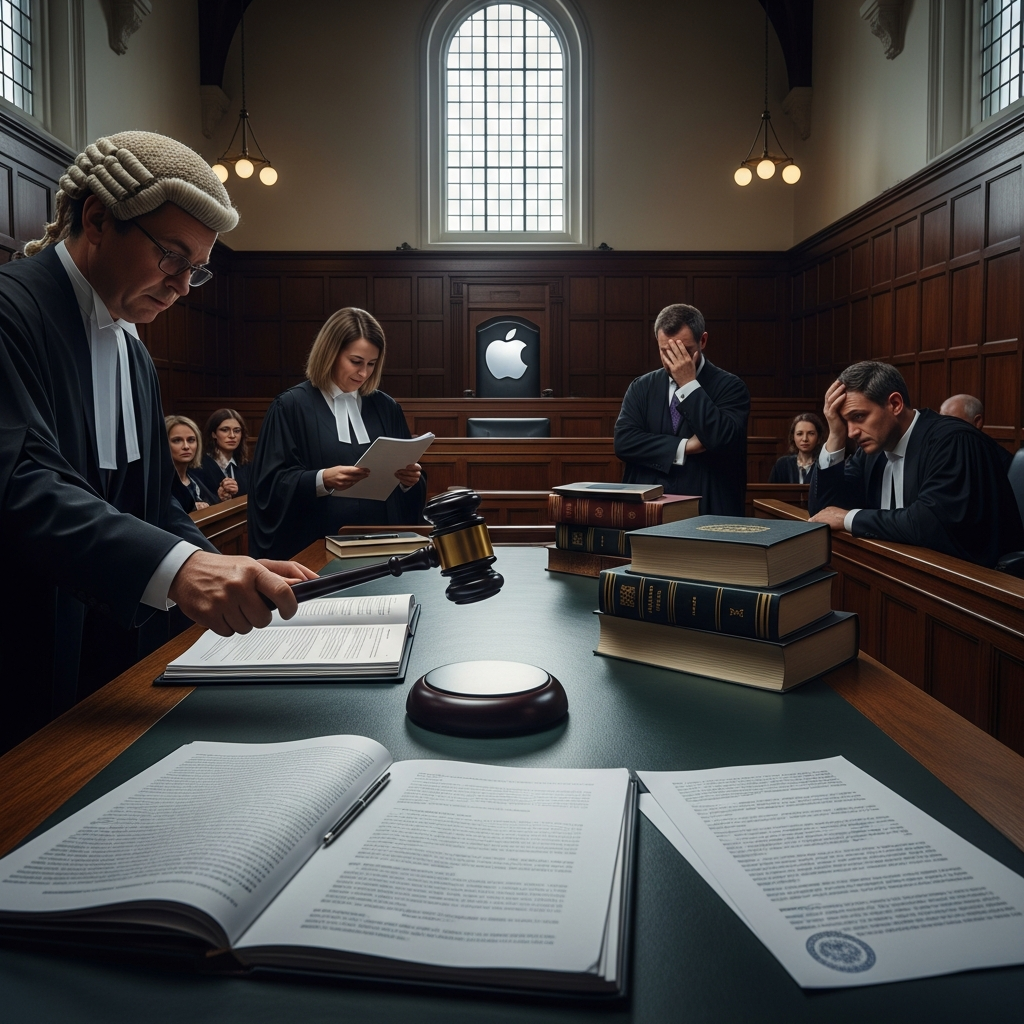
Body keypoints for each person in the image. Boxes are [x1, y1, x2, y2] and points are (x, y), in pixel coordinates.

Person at [0, 131, 316, 752]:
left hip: (109, 658)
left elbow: (154, 501)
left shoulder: (133, 349)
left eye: (195, 271)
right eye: (171, 255)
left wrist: (226, 565)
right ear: (97, 218)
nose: (179, 285)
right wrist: (180, 571)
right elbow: (20, 484)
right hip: (23, 644)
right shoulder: (12, 312)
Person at [249, 307, 428, 560]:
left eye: (371, 364)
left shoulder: (386, 407)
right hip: (317, 547)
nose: (363, 373)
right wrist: (322, 479)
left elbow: (410, 484)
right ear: (330, 353)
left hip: (382, 546)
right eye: (356, 362)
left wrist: (409, 480)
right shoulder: (290, 407)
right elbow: (269, 486)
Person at [808, 361, 1024, 567]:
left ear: (895, 404)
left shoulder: (952, 440)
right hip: (899, 573)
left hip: (972, 585)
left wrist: (849, 518)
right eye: (846, 422)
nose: (852, 432)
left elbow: (929, 523)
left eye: (859, 416)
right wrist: (835, 434)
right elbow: (824, 513)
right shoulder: (871, 451)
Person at [614, 303, 749, 516]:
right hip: (649, 510)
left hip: (708, 509)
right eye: (666, 352)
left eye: (684, 352)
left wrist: (688, 384)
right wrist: (684, 447)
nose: (674, 362)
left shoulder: (731, 387)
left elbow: (721, 440)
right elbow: (624, 442)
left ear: (702, 340)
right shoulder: (641, 386)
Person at [940, 393, 1013, 473]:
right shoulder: (939, 449)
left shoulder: (1000, 460)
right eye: (941, 423)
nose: (944, 429)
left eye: (953, 423)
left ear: (977, 422)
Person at [195, 407, 251, 501]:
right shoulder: (199, 466)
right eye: (225, 430)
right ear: (214, 434)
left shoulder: (246, 466)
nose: (232, 436)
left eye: (237, 431)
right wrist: (218, 497)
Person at [166, 414, 219, 513]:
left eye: (191, 440)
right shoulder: (160, 483)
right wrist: (191, 508)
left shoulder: (195, 478)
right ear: (163, 444)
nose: (186, 446)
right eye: (177, 440)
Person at [769, 412, 825, 484]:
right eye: (799, 434)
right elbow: (772, 493)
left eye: (811, 433)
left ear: (819, 438)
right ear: (793, 437)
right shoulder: (782, 465)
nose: (805, 439)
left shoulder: (824, 465)